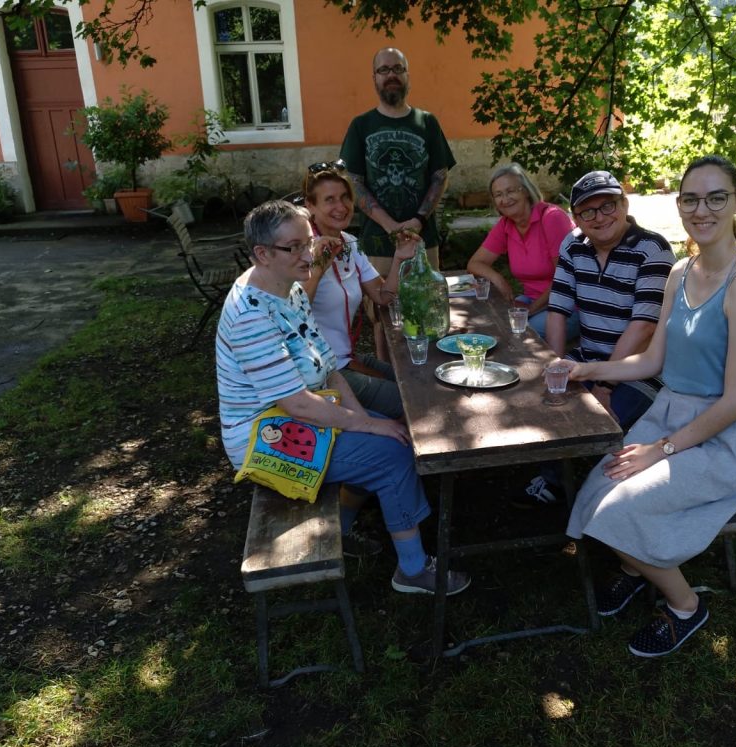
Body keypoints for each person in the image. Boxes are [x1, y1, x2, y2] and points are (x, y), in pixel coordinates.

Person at [565, 155, 736, 657]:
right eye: (691, 199)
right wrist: (588, 370)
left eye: (716, 197)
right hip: (670, 414)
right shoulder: (681, 271)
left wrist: (660, 450)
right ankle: (638, 568)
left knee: (618, 507)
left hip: (724, 436)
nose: (702, 210)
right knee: (595, 492)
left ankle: (684, 606)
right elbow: (653, 358)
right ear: (678, 205)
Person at [216, 200, 470, 595]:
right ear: (262, 254)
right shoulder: (251, 313)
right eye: (295, 247)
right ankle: (413, 570)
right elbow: (295, 403)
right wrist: (368, 423)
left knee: (392, 433)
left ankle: (345, 524)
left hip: (299, 412)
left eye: (310, 242)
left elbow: (329, 366)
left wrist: (362, 416)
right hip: (262, 437)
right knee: (394, 452)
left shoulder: (289, 288)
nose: (310, 253)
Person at [514, 170, 675, 508]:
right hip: (586, 360)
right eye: (589, 210)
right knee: (541, 400)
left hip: (641, 372)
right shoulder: (573, 246)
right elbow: (557, 311)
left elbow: (643, 328)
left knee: (595, 419)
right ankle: (560, 477)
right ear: (577, 217)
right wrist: (554, 369)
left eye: (608, 206)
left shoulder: (653, 249)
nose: (600, 217)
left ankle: (587, 488)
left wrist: (605, 384)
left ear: (624, 204)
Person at [301, 159, 417, 420]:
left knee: (418, 379)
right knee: (413, 401)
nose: (341, 207)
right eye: (329, 199)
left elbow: (382, 296)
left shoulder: (350, 243)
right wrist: (318, 268)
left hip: (346, 357)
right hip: (323, 370)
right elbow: (292, 313)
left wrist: (399, 258)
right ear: (310, 206)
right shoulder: (301, 250)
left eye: (345, 198)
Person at [340, 46, 456, 274]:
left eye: (397, 68)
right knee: (380, 305)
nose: (391, 74)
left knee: (426, 304)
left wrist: (418, 220)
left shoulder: (427, 122)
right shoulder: (360, 125)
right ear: (374, 78)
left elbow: (439, 177)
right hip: (377, 244)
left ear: (407, 75)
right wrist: (389, 225)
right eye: (384, 69)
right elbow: (353, 182)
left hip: (423, 239)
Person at [465, 163, 576, 337]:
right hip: (531, 301)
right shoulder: (505, 225)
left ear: (525, 190)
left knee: (520, 333)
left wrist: (530, 310)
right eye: (498, 195)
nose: (505, 199)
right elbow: (475, 263)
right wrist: (498, 278)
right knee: (489, 324)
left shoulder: (551, 218)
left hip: (567, 306)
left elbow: (565, 279)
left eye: (511, 191)